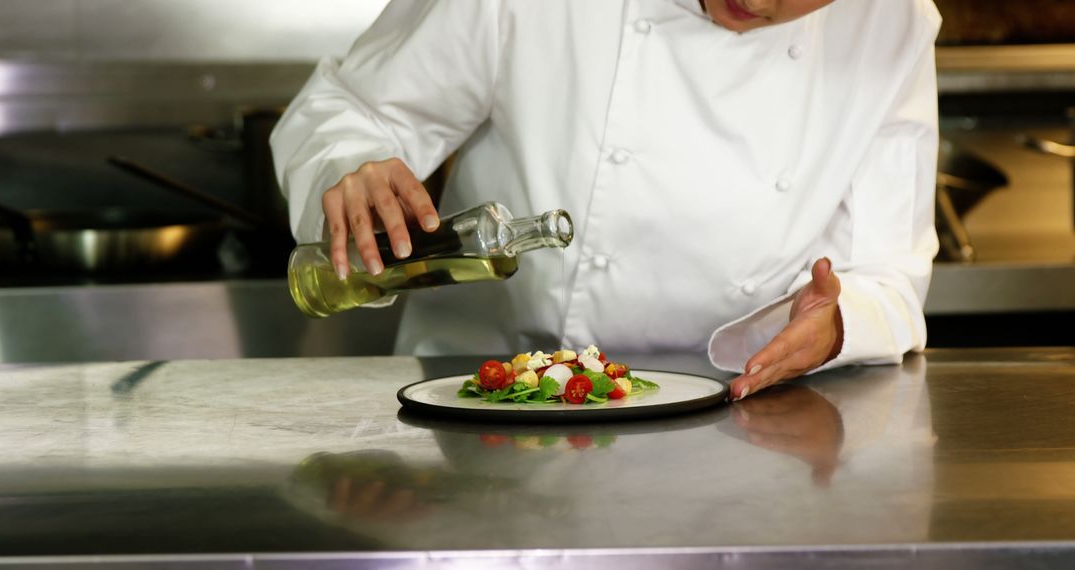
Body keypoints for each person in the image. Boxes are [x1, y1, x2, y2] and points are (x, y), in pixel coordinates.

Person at [271, 0, 942, 399]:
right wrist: (352, 170)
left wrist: (841, 322)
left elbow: (888, 274)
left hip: (747, 419)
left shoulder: (893, 21)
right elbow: (353, 110)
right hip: (488, 410)